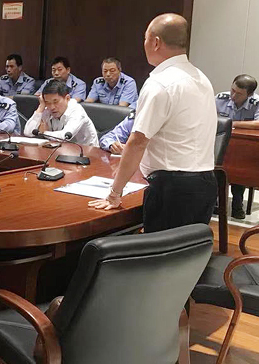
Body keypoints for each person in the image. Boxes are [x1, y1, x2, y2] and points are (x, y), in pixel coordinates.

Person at [89, 14, 217, 233]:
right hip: (205, 181)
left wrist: (114, 193)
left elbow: (138, 141)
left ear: (155, 42)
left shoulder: (160, 83)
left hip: (172, 189)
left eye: (145, 38)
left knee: (161, 252)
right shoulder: (202, 78)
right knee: (190, 249)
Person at [216, 74, 259, 220]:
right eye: (232, 90)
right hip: (222, 145)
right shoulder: (221, 98)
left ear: (250, 94)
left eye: (239, 94)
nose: (233, 96)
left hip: (245, 150)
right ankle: (216, 201)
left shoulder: (258, 102)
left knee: (239, 165)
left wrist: (231, 123)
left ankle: (237, 202)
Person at [24, 80, 98, 145]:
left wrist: (43, 133)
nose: (52, 107)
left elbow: (65, 137)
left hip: (87, 151)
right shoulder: (47, 110)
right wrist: (41, 108)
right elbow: (28, 132)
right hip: (60, 149)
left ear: (67, 98)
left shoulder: (77, 111)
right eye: (47, 102)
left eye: (55, 102)